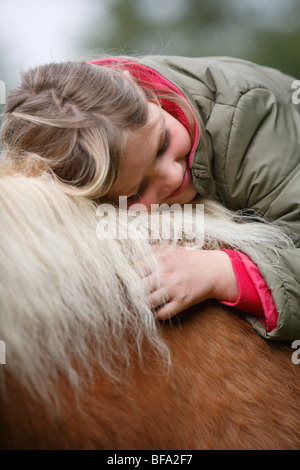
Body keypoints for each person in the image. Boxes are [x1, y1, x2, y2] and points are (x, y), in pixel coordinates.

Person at [1, 55, 300, 341]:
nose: (171, 175)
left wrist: (222, 274)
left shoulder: (248, 123)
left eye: (163, 143)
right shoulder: (88, 137)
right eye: (136, 191)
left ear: (147, 93)